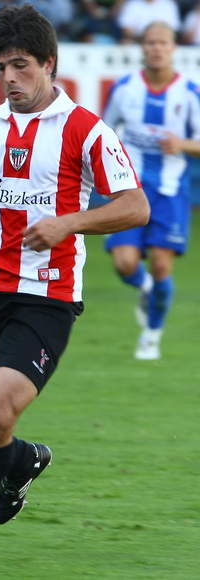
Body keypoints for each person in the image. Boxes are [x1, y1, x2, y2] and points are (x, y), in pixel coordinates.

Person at [0, 4, 149, 562]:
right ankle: (18, 460)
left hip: (46, 297)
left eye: (20, 65)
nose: (10, 78)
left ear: (49, 63)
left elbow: (135, 205)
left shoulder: (85, 130)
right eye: (1, 67)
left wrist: (71, 221)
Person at [102, 21, 200, 360]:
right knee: (126, 264)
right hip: (130, 189)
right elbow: (103, 132)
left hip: (170, 192)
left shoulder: (189, 93)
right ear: (142, 48)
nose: (156, 48)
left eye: (163, 42)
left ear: (174, 48)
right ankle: (145, 290)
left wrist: (182, 143)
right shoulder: (124, 89)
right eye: (150, 42)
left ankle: (152, 335)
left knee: (161, 266)